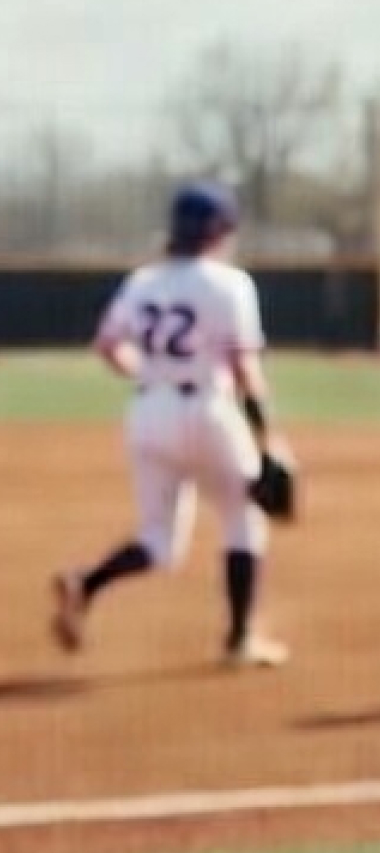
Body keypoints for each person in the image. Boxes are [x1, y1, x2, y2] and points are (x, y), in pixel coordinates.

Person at [51, 181, 290, 669]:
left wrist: (147, 374)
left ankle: (86, 584)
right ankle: (239, 640)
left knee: (159, 543)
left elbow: (106, 345)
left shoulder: (143, 282)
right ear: (218, 230)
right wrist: (268, 436)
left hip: (148, 413)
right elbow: (244, 368)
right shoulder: (229, 283)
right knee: (244, 519)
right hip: (209, 412)